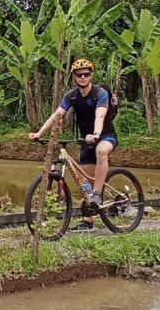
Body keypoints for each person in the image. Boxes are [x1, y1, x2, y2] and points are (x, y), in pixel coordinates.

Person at [29, 58, 116, 233]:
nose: (83, 77)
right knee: (84, 183)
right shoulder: (72, 95)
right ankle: (88, 221)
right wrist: (39, 134)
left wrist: (97, 134)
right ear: (74, 77)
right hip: (86, 140)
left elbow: (100, 116)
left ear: (91, 76)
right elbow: (57, 115)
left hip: (104, 136)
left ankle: (98, 194)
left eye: (86, 74)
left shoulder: (100, 94)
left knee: (101, 152)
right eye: (79, 75)